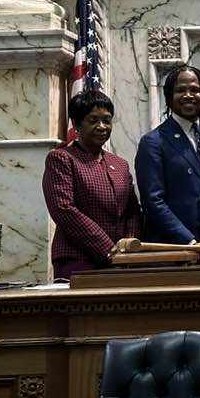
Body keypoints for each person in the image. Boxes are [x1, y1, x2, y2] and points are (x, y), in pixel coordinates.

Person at [42, 90, 142, 279]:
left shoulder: (120, 164)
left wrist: (129, 247)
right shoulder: (61, 158)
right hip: (77, 259)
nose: (102, 126)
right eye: (93, 120)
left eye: (107, 120)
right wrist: (109, 249)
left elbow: (132, 211)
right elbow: (64, 209)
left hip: (122, 262)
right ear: (76, 124)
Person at [135, 64, 200, 259]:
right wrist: (191, 243)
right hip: (172, 252)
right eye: (181, 90)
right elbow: (153, 202)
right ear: (169, 97)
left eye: (195, 90)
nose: (189, 95)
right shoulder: (153, 142)